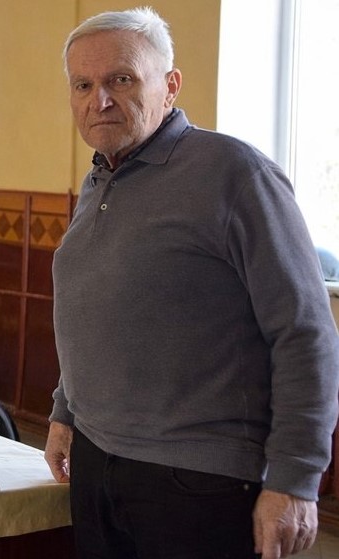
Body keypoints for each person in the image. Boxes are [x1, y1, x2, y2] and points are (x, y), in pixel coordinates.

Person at [44, 7, 339, 559]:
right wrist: (66, 414)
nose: (99, 100)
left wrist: (296, 478)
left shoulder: (235, 173)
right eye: (83, 84)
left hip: (199, 480)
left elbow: (305, 334)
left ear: (171, 86)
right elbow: (100, 314)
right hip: (97, 459)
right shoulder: (101, 177)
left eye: (121, 79)